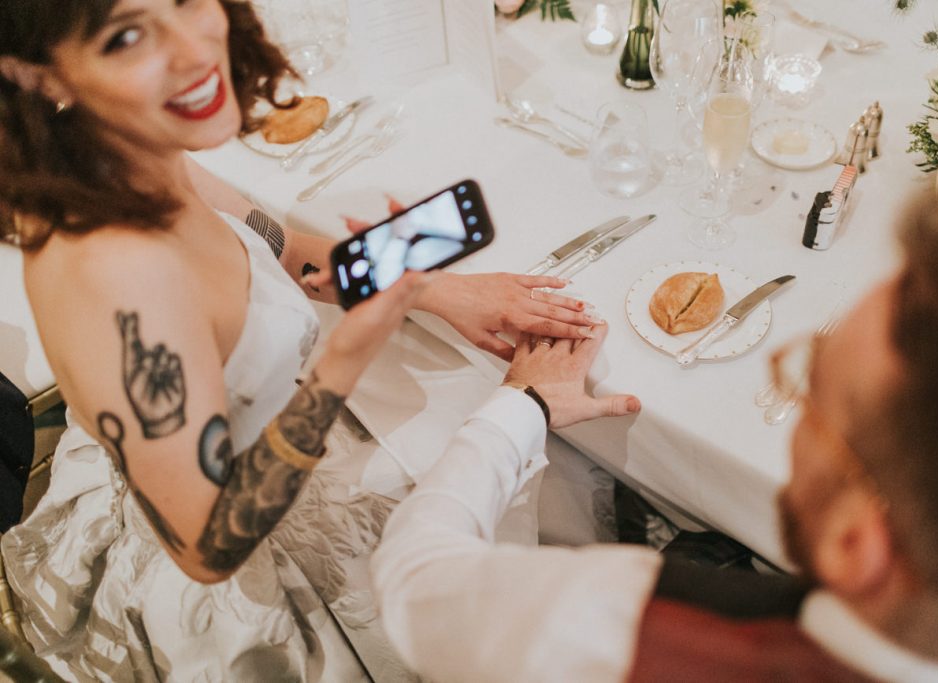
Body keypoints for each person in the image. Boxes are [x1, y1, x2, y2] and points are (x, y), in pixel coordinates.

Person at [0, 0, 603, 679]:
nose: (195, 50)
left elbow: (281, 250)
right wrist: (343, 361)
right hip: (225, 553)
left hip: (267, 438)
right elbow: (205, 545)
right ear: (40, 76)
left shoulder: (124, 146)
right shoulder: (113, 276)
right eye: (128, 35)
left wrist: (435, 288)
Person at [372, 189, 938, 682]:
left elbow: (415, 579)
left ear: (855, 541)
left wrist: (521, 403)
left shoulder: (629, 633)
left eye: (810, 384)